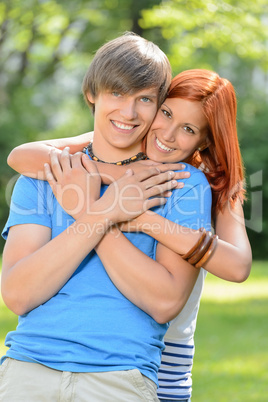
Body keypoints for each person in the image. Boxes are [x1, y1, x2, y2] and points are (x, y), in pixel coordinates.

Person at [5, 68, 252, 401]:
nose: (167, 133)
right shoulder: (110, 145)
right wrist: (112, 178)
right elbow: (22, 155)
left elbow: (237, 267)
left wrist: (126, 214)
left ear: (205, 139)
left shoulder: (206, 180)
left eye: (189, 129)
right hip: (106, 349)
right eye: (165, 113)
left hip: (161, 350)